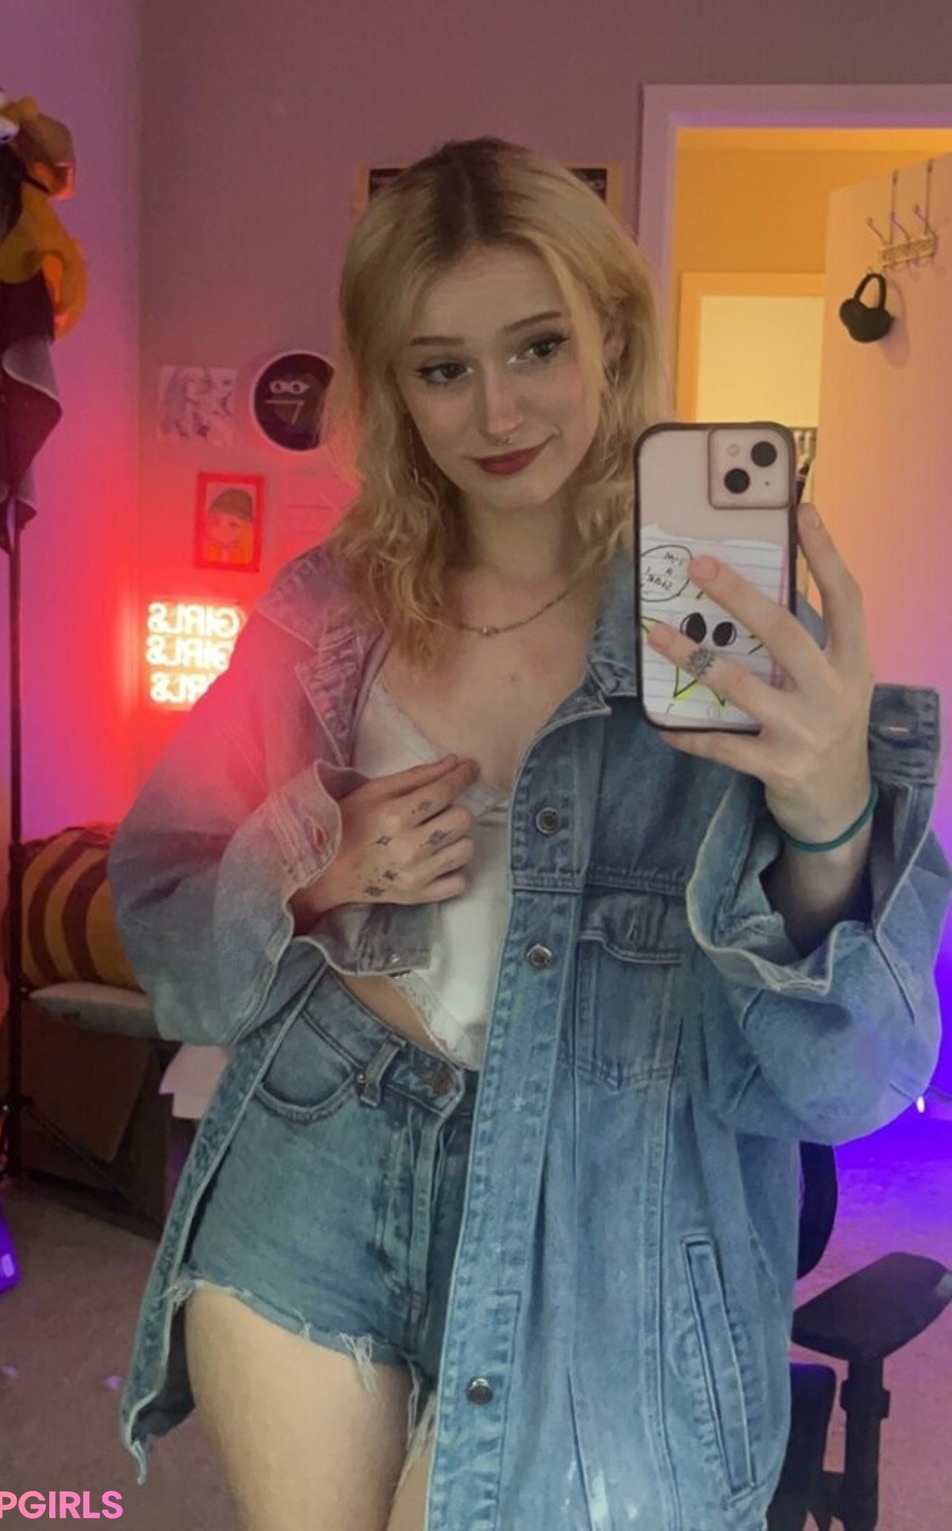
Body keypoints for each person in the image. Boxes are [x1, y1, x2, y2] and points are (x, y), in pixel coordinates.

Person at [108, 138, 950, 1531]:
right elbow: (167, 933)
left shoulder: (729, 631)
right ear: (394, 387)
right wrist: (315, 867)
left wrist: (829, 812)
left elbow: (849, 1084)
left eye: (538, 346)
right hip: (318, 1153)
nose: (497, 408)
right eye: (442, 367)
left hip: (611, 1202)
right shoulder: (324, 613)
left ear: (612, 335)